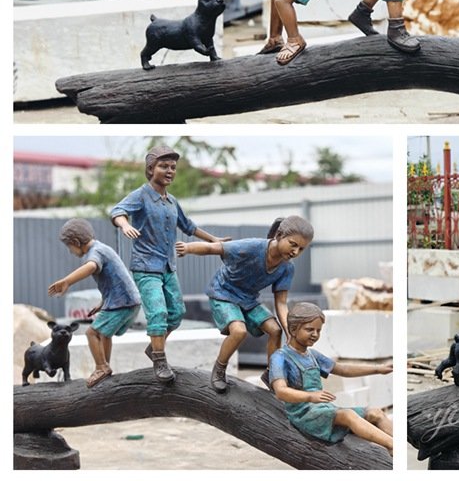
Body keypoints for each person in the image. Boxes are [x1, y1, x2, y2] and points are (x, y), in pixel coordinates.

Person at [110, 145, 228, 383]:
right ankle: (160, 360)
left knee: (176, 313)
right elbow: (117, 211)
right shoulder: (141, 195)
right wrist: (125, 225)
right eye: (164, 166)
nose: (170, 171)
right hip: (146, 267)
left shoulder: (172, 201)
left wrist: (214, 241)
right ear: (151, 168)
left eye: (173, 167)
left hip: (167, 266)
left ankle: (154, 347)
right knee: (158, 312)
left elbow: (189, 226)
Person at [176, 215, 314, 393]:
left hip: (248, 299)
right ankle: (219, 369)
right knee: (239, 331)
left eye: (301, 249)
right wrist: (188, 248)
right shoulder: (251, 247)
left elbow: (281, 303)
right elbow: (214, 248)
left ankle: (273, 374)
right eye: (293, 244)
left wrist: (290, 331)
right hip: (223, 293)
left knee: (275, 330)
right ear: (279, 235)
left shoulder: (287, 268)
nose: (295, 252)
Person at [270, 302, 393, 454]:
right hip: (303, 414)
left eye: (318, 330)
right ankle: (392, 445)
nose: (315, 334)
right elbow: (280, 391)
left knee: (376, 413)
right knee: (348, 415)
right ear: (293, 329)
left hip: (323, 409)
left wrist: (378, 369)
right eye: (309, 329)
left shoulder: (312, 355)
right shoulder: (280, 357)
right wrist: (310, 396)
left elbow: (342, 369)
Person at [48, 218, 141, 388]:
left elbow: (91, 267)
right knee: (104, 334)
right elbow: (117, 280)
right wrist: (103, 303)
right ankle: (105, 365)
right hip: (128, 301)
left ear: (76, 242)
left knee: (91, 333)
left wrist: (67, 281)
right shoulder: (103, 248)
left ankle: (101, 367)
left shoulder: (95, 253)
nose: (70, 252)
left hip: (122, 303)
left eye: (70, 247)